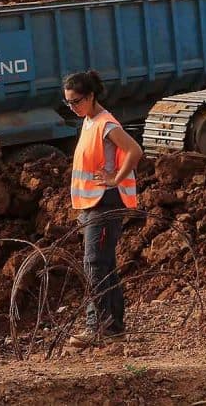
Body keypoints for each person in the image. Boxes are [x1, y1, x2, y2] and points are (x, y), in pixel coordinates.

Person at [63, 70, 142, 346]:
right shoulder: (88, 121)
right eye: (68, 103)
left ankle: (99, 328)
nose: (72, 107)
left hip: (105, 203)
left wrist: (116, 178)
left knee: (95, 264)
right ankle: (113, 328)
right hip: (92, 204)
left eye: (76, 101)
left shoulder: (106, 123)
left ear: (91, 96)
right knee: (103, 264)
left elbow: (134, 150)